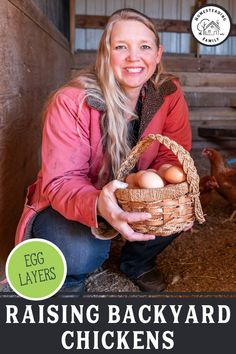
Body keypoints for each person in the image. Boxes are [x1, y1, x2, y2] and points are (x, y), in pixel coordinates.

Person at [15, 8, 191, 293]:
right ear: (106, 54)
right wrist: (98, 204)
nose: (134, 57)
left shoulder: (167, 94)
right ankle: (68, 282)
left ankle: (137, 262)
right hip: (80, 198)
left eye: (144, 47)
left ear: (157, 54)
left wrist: (162, 179)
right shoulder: (72, 101)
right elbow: (61, 181)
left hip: (133, 194)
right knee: (79, 252)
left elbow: (172, 155)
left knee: (177, 208)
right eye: (121, 47)